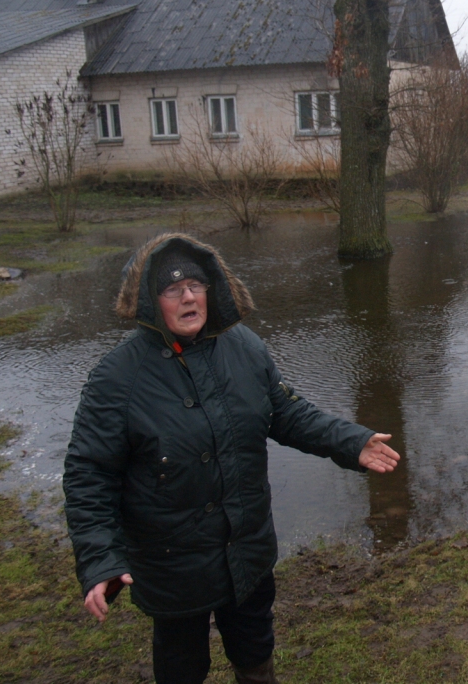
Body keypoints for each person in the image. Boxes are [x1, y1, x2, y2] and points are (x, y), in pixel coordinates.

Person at [63, 233, 399, 684]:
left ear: (212, 290)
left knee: (255, 648)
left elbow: (287, 413)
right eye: (171, 289)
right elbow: (90, 475)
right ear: (147, 301)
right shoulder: (116, 379)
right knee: (182, 664)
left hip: (247, 546)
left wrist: (350, 442)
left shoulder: (244, 348)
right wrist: (100, 559)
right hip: (173, 562)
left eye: (196, 286)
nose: (188, 297)